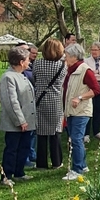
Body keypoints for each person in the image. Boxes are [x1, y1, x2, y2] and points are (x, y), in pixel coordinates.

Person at [61, 42, 100, 180]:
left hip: (81, 111)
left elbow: (96, 90)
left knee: (76, 139)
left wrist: (79, 97)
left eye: (67, 55)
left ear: (74, 57)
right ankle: (82, 165)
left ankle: (77, 170)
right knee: (76, 139)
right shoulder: (71, 70)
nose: (65, 58)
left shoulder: (85, 70)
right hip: (71, 110)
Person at [0, 46, 36, 185]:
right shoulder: (8, 77)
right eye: (27, 60)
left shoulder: (21, 75)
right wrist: (20, 120)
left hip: (27, 120)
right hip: (15, 122)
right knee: (12, 149)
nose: (29, 62)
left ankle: (19, 172)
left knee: (24, 147)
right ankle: (6, 176)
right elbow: (11, 101)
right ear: (21, 62)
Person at [33, 38, 65, 170]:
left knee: (41, 133)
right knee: (55, 132)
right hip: (55, 100)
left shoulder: (37, 63)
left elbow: (34, 78)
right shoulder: (62, 66)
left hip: (40, 99)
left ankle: (41, 163)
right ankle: (56, 161)